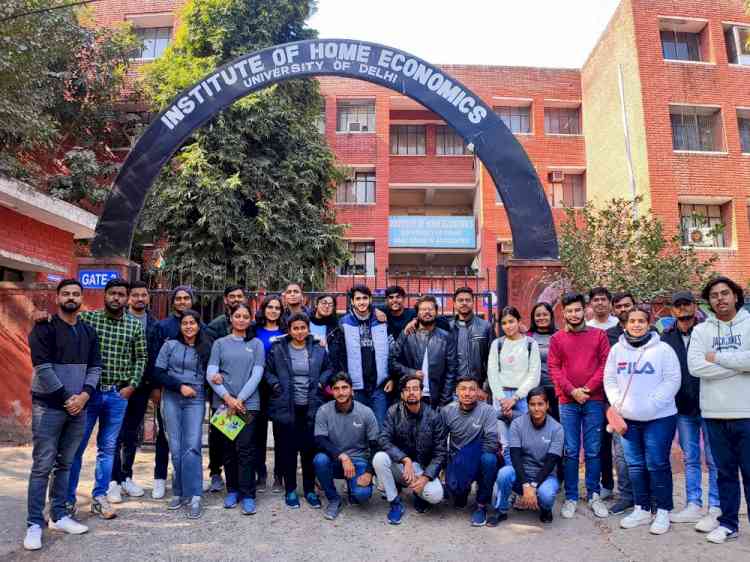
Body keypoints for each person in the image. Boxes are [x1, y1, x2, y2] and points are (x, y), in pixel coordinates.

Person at [23, 279, 102, 551]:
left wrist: (84, 396)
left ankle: (59, 515)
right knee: (43, 465)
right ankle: (34, 523)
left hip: (78, 407)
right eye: (66, 293)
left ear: (82, 299)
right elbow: (43, 368)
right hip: (48, 407)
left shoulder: (88, 332)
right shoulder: (43, 329)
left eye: (76, 294)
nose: (71, 297)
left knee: (66, 464)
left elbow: (95, 368)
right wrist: (67, 398)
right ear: (57, 299)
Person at [66, 278, 146, 520]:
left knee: (108, 448)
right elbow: (64, 325)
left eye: (121, 294)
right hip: (88, 394)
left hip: (117, 394)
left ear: (127, 298)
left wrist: (132, 385)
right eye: (112, 293)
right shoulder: (88, 319)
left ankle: (99, 497)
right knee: (76, 447)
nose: (117, 298)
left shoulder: (134, 325)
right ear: (105, 295)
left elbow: (141, 357)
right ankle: (67, 499)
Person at [604, 307, 680, 535]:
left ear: (649, 324)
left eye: (641, 321)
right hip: (628, 419)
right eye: (632, 321)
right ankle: (642, 508)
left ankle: (664, 510)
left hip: (660, 417)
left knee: (657, 463)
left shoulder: (663, 350)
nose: (636, 325)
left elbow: (672, 380)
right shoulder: (617, 350)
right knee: (634, 466)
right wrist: (618, 403)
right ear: (625, 324)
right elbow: (609, 378)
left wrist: (651, 404)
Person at [688, 276, 750, 544]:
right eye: (714, 295)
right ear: (709, 301)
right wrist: (739, 365)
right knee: (724, 473)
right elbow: (695, 367)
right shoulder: (702, 331)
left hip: (746, 412)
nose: (720, 299)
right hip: (714, 413)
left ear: (735, 296)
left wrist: (718, 358)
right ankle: (728, 524)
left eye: (725, 293)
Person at [548, 292, 610, 520]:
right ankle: (572, 496)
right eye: (569, 311)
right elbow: (554, 368)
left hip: (593, 400)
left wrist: (587, 389)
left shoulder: (599, 335)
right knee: (571, 451)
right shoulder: (557, 339)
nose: (574, 314)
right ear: (563, 313)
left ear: (585, 310)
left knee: (594, 450)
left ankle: (594, 494)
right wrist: (573, 391)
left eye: (577, 310)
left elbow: (605, 365)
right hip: (567, 401)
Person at [663, 291, 720, 531]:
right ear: (672, 310)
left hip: (711, 404)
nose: (683, 310)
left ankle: (716, 505)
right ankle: (693, 503)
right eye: (678, 306)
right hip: (683, 408)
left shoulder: (708, 331)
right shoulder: (666, 338)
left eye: (687, 305)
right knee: (691, 457)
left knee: (714, 457)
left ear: (695, 306)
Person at [265, 312, 331, 510]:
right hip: (286, 407)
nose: (300, 332)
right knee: (287, 451)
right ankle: (291, 490)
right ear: (289, 330)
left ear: (308, 329)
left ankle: (310, 490)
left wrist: (321, 382)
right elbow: (267, 371)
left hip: (311, 407)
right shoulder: (278, 349)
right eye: (295, 328)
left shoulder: (318, 349)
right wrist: (276, 385)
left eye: (303, 328)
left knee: (309, 451)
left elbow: (329, 368)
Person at [110, 280, 167, 503]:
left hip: (141, 386)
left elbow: (155, 358)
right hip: (116, 384)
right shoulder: (116, 319)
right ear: (128, 298)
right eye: (135, 295)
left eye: (144, 295)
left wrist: (154, 386)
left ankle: (126, 476)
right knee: (113, 433)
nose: (140, 299)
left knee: (132, 433)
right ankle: (113, 480)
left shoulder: (155, 325)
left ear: (148, 297)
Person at [207, 303, 265, 515]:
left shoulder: (256, 344)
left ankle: (248, 494)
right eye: (237, 316)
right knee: (228, 450)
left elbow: (257, 374)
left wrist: (238, 399)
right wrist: (227, 398)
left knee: (246, 449)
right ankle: (232, 490)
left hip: (248, 406)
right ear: (230, 318)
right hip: (223, 406)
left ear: (250, 319)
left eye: (245, 316)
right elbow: (211, 373)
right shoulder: (219, 344)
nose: (241, 319)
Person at [153, 309, 210, 519]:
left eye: (192, 323)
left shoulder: (206, 348)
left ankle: (195, 495)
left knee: (192, 445)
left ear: (198, 325)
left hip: (195, 398)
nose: (188, 326)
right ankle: (178, 490)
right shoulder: (170, 345)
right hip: (172, 398)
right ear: (180, 326)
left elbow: (212, 372)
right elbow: (158, 372)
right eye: (185, 323)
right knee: (175, 447)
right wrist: (179, 386)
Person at [373, 374, 447, 525]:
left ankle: (418, 494)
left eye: (415, 389)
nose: (411, 392)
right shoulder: (393, 412)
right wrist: (404, 459)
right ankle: (394, 501)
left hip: (422, 468)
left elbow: (440, 453)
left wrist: (426, 477)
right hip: (400, 465)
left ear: (421, 392)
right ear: (402, 394)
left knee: (436, 495)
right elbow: (383, 439)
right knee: (379, 458)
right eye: (407, 390)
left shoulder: (433, 416)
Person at [490, 386, 563, 526]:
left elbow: (551, 462)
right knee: (504, 473)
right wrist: (525, 485)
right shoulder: (518, 424)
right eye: (532, 404)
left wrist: (533, 486)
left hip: (545, 476)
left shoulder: (557, 428)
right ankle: (501, 510)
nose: (536, 408)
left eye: (540, 404)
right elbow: (515, 456)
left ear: (547, 405)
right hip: (521, 475)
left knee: (546, 495)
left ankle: (545, 509)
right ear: (527, 405)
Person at [313, 373, 378, 521]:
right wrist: (342, 456)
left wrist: (369, 473)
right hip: (335, 460)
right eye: (336, 389)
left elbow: (375, 445)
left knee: (361, 495)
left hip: (359, 461)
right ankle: (334, 499)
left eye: (344, 388)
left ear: (352, 390)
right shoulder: (324, 411)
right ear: (332, 391)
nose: (341, 392)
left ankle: (352, 488)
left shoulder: (366, 412)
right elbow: (320, 440)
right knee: (319, 460)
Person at [153, 285, 197, 497]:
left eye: (186, 298)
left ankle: (188, 479)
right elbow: (156, 361)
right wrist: (155, 388)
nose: (182, 301)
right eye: (178, 298)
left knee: (190, 440)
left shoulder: (200, 327)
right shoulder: (162, 327)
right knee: (166, 436)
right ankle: (160, 477)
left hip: (193, 395)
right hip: (166, 391)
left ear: (192, 301)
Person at [329, 285, 391, 426]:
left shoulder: (381, 320)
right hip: (356, 386)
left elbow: (392, 350)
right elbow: (338, 355)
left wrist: (390, 377)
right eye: (358, 299)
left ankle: (378, 449)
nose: (361, 302)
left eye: (365, 298)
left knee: (380, 426)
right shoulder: (344, 322)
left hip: (379, 385)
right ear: (352, 301)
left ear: (370, 300)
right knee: (357, 427)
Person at [441, 375, 499, 527]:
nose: (467, 393)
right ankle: (461, 490)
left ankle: (481, 505)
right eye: (463, 389)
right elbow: (439, 442)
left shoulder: (488, 411)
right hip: (457, 459)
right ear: (456, 391)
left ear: (478, 391)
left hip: (478, 457)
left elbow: (492, 442)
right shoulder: (447, 411)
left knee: (490, 459)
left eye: (472, 389)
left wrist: (469, 460)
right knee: (457, 496)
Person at [487, 306, 541, 464]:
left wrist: (516, 398)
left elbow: (534, 375)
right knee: (506, 442)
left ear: (519, 322)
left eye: (511, 321)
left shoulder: (531, 344)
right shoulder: (497, 344)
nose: (508, 326)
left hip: (523, 398)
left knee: (525, 440)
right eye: (504, 323)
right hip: (501, 397)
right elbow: (492, 373)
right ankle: (510, 476)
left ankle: (524, 481)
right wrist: (503, 398)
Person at [391, 294, 457, 411]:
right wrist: (411, 372)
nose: (427, 312)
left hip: (437, 399)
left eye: (430, 309)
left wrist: (443, 402)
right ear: (417, 313)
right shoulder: (407, 334)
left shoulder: (446, 337)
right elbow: (392, 362)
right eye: (423, 309)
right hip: (410, 396)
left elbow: (451, 371)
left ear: (436, 312)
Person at [603, 291, 637, 511]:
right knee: (621, 454)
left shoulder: (652, 333)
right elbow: (608, 373)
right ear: (614, 310)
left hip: (646, 405)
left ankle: (647, 496)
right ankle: (625, 496)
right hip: (617, 405)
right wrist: (614, 402)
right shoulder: (608, 336)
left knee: (645, 454)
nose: (623, 309)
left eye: (627, 305)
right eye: (619, 306)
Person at [254, 295, 286, 493]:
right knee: (258, 434)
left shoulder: (285, 331)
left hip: (279, 388)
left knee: (281, 434)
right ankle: (260, 473)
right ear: (264, 309)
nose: (273, 310)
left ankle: (279, 475)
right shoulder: (254, 331)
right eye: (270, 307)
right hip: (257, 387)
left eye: (277, 308)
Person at [445, 287, 493, 389]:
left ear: (473, 302)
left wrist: (485, 386)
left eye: (468, 300)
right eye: (460, 300)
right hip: (453, 388)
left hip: (478, 387)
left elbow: (493, 359)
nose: (464, 303)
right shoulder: (448, 328)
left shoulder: (485, 327)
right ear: (454, 304)